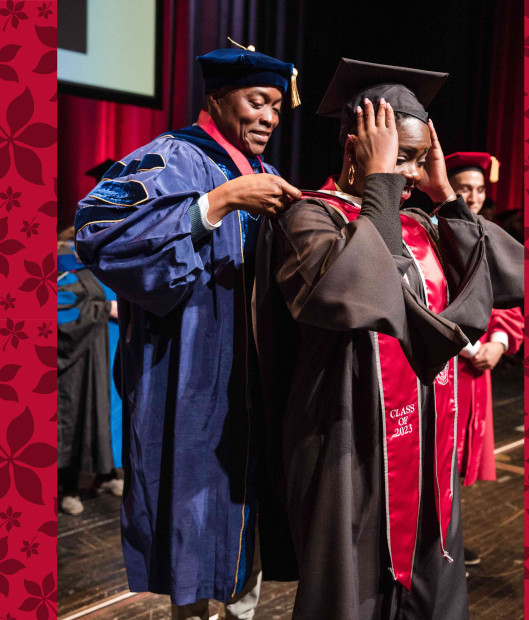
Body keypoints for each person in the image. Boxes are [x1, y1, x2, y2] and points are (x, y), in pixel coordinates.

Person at [252, 59, 523, 619]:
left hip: (427, 441)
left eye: (418, 160)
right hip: (347, 441)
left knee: (433, 589)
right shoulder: (307, 218)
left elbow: (509, 279)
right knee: (352, 594)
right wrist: (378, 187)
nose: (408, 176)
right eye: (398, 158)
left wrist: (445, 196)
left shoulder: (423, 224)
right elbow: (353, 296)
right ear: (356, 149)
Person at [74, 44, 301, 618]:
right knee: (195, 522)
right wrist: (215, 204)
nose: (270, 118)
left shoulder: (268, 174)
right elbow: (98, 233)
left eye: (276, 106)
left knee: (247, 516)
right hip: (189, 378)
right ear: (218, 97)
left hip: (255, 382)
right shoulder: (168, 157)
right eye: (258, 101)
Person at [445, 152, 525, 566]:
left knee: (459, 460)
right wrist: (467, 346)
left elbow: (505, 301)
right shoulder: (432, 230)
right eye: (464, 189)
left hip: (478, 368)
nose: (473, 197)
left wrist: (496, 342)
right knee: (439, 455)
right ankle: (438, 544)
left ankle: (449, 541)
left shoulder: (486, 233)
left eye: (478, 190)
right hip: (443, 363)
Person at [57, 227, 115, 516]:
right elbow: (60, 312)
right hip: (76, 359)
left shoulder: (101, 258)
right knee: (73, 418)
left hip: (104, 352)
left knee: (103, 415)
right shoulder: (62, 260)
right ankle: (68, 487)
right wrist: (105, 309)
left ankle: (105, 475)